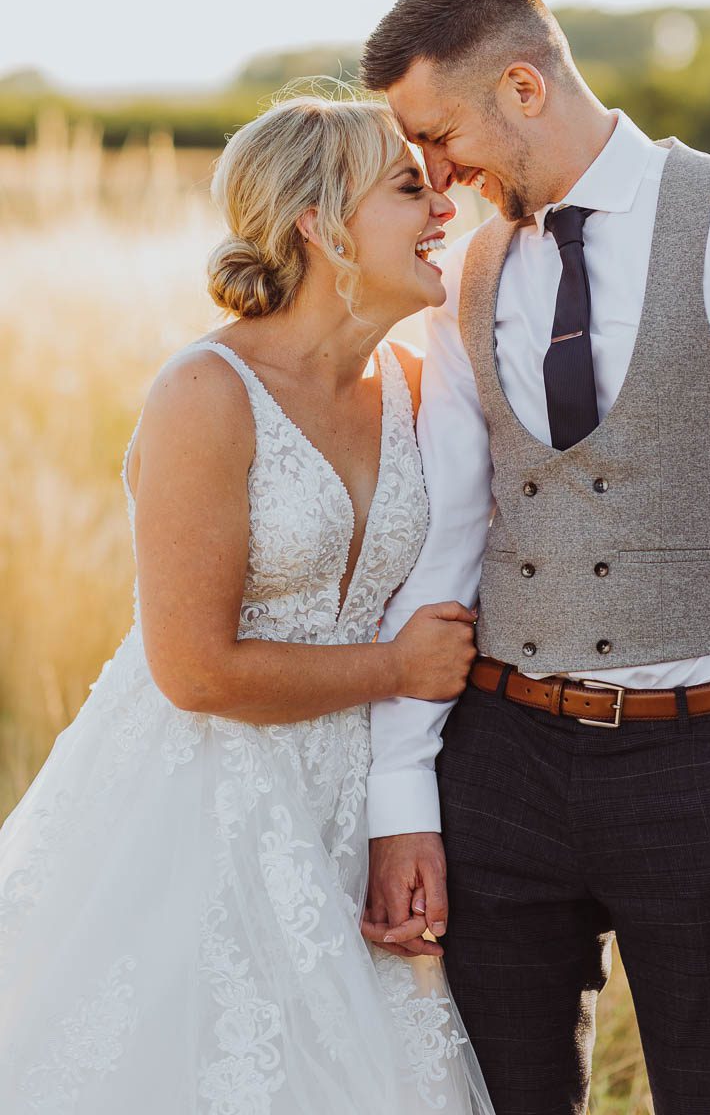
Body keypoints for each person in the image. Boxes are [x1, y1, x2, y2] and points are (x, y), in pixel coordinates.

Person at [359, 0, 710, 1115]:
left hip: (702, 764)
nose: (436, 178)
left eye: (441, 135)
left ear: (523, 85)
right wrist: (407, 783)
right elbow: (453, 522)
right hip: (498, 762)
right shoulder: (464, 267)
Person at [0, 95, 495, 1115]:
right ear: (321, 222)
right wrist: (395, 668)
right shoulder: (206, 393)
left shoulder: (414, 383)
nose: (444, 202)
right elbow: (194, 668)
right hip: (195, 810)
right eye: (410, 185)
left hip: (348, 812)